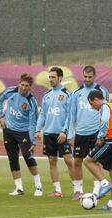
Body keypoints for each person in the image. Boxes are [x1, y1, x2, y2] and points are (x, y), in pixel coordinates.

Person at [83, 90, 112, 211]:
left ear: (95, 100)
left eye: (91, 103)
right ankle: (111, 205)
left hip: (111, 141)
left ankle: (104, 184)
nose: (91, 106)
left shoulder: (104, 106)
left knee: (88, 161)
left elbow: (104, 120)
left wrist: (101, 136)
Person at [68, 65, 110, 200]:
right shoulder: (76, 93)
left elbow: (107, 112)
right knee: (77, 161)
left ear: (94, 76)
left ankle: (96, 192)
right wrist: (70, 134)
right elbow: (72, 115)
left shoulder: (102, 91)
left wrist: (103, 133)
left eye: (89, 77)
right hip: (80, 133)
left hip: (96, 133)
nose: (87, 79)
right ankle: (78, 190)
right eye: (85, 77)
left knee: (96, 162)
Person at [0, 73, 42, 196]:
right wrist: (1, 115)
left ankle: (38, 187)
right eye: (22, 85)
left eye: (26, 86)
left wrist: (33, 140)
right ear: (19, 83)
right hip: (8, 130)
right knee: (13, 158)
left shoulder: (31, 101)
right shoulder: (10, 91)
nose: (23, 88)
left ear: (30, 87)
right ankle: (19, 188)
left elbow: (33, 123)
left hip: (23, 133)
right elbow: (0, 99)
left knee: (28, 156)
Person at [35, 67, 74, 198]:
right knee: (52, 161)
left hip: (62, 134)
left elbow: (70, 116)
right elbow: (43, 114)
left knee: (69, 160)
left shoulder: (68, 94)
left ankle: (77, 190)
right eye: (49, 77)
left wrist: (65, 131)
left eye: (53, 77)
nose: (50, 79)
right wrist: (37, 130)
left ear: (60, 78)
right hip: (48, 133)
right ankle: (57, 190)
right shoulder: (47, 95)